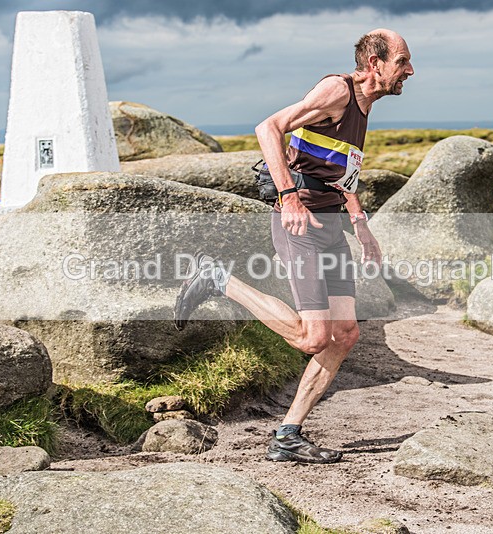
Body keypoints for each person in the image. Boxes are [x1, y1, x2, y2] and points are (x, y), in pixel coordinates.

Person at [174, 29, 413, 464]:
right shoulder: (337, 90)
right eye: (402, 61)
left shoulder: (363, 107)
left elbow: (345, 171)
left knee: (345, 334)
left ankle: (288, 434)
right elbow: (269, 128)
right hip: (300, 223)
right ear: (374, 63)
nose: (410, 70)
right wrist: (287, 197)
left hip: (331, 227)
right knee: (313, 337)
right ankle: (216, 278)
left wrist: (361, 225)